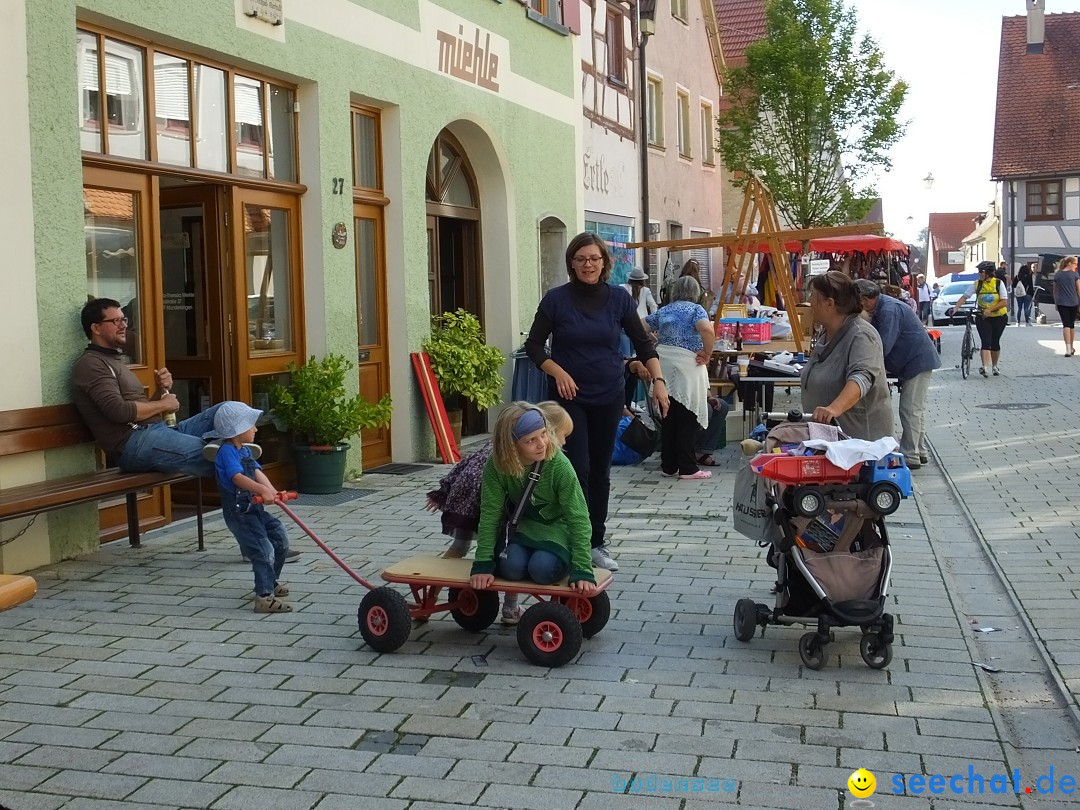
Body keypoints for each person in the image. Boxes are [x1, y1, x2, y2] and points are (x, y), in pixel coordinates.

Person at [73, 298, 300, 559]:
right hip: (132, 444)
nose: (124, 325)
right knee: (223, 459)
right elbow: (119, 412)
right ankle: (260, 547)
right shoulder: (91, 365)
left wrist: (160, 391)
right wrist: (163, 403)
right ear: (96, 328)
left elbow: (135, 409)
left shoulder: (113, 361)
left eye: (124, 319)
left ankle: (237, 458)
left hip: (153, 433)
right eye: (116, 321)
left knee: (226, 410)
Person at [524, 232, 669, 573]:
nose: (588, 264)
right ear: (571, 264)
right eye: (581, 259)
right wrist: (557, 371)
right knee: (578, 468)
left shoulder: (618, 298)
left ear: (604, 262)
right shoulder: (556, 300)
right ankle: (572, 534)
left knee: (601, 472)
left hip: (608, 394)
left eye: (594, 258)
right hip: (568, 398)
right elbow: (533, 345)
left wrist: (659, 382)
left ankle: (595, 542)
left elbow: (644, 344)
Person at [426, 402, 574, 625]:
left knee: (465, 548)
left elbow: (462, 464)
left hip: (470, 504)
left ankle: (431, 599)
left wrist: (442, 492)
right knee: (498, 548)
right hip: (479, 506)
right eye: (563, 435)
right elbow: (492, 513)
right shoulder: (509, 459)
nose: (562, 442)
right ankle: (509, 608)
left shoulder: (509, 443)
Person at [469, 403, 596, 596]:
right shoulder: (496, 466)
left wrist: (583, 568)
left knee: (541, 569)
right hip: (525, 529)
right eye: (531, 440)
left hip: (557, 530)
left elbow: (578, 517)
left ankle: (564, 559)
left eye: (544, 433)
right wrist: (483, 562)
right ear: (512, 445)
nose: (542, 444)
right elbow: (490, 514)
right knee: (510, 567)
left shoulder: (559, 465)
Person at [205, 402, 293, 613]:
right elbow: (237, 478)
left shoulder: (243, 450)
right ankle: (263, 597)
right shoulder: (227, 452)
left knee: (280, 538)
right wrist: (261, 491)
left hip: (254, 510)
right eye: (251, 425)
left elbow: (256, 472)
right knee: (264, 551)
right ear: (237, 429)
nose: (255, 429)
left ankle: (270, 582)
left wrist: (273, 491)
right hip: (239, 514)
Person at [854, 280, 941, 469]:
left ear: (867, 300)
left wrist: (869, 363)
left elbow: (884, 344)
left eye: (858, 301)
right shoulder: (883, 307)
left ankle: (911, 455)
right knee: (915, 409)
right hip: (914, 360)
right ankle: (919, 450)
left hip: (917, 361)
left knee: (910, 409)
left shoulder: (889, 310)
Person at [800, 272, 893, 441]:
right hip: (832, 440)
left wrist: (834, 409)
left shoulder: (862, 335)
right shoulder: (827, 333)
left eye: (813, 295)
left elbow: (862, 377)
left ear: (830, 303)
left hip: (861, 444)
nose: (809, 302)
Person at [644, 276, 716, 479]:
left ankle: (669, 465)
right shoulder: (695, 310)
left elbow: (640, 326)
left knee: (668, 417)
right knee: (687, 418)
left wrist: (653, 342)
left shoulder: (665, 310)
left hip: (664, 366)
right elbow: (707, 330)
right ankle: (688, 468)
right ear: (696, 293)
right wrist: (707, 352)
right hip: (688, 367)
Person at [951, 260, 1009, 375]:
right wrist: (956, 307)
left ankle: (995, 366)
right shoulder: (977, 284)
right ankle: (985, 367)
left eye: (981, 271)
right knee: (986, 341)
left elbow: (1004, 302)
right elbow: (965, 296)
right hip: (983, 317)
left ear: (988, 272)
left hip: (999, 317)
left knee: (995, 342)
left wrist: (990, 309)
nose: (979, 273)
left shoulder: (998, 283)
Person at [1052, 255, 1080, 356]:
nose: (1076, 266)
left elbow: (1055, 291)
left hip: (1061, 302)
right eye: (1075, 264)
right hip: (1074, 302)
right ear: (1069, 263)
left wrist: (1056, 302)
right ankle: (1071, 347)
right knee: (1071, 325)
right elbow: (1079, 290)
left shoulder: (1058, 275)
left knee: (1066, 325)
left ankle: (1068, 348)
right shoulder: (1075, 275)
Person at [694, 394, 730, 468]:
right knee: (707, 409)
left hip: (698, 395)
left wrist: (707, 396)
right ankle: (685, 451)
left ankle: (701, 451)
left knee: (722, 406)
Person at [1014, 262, 1035, 326]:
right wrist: (1032, 294)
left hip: (1019, 294)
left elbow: (1014, 285)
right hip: (1028, 294)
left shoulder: (1017, 277)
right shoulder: (1029, 276)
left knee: (1019, 308)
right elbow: (1031, 286)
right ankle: (1027, 322)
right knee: (1026, 308)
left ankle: (1018, 322)